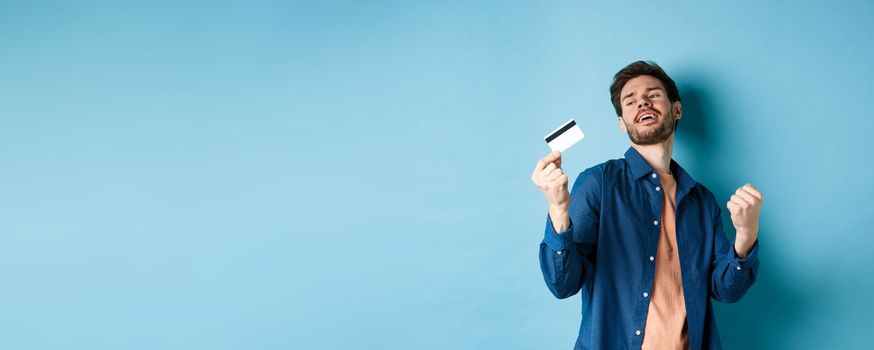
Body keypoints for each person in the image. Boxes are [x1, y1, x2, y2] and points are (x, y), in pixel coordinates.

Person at [530, 61, 763, 350]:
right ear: (622, 123)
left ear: (676, 110)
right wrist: (557, 210)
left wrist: (746, 235)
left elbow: (726, 290)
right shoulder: (598, 183)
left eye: (652, 95)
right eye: (630, 101)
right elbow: (562, 284)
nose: (642, 102)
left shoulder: (702, 201)